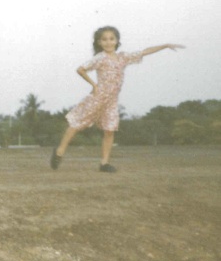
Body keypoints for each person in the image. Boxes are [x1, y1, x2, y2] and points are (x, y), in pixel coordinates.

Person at [51, 26, 184, 173]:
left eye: (111, 39)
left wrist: (165, 46)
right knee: (77, 124)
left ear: (117, 41)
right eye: (104, 39)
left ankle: (104, 163)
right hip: (97, 98)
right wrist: (93, 84)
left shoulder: (123, 57)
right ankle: (59, 152)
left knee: (110, 129)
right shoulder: (100, 57)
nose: (108, 42)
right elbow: (80, 69)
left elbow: (144, 52)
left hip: (111, 101)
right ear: (99, 42)